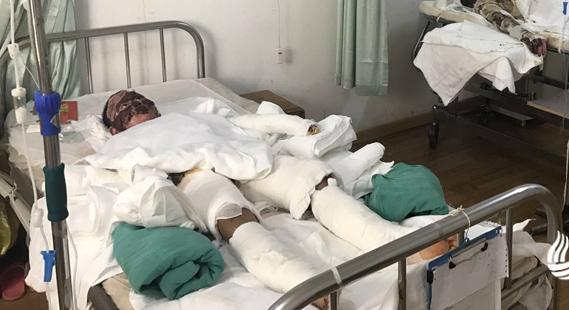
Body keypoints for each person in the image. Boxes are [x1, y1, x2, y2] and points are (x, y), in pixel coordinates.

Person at [101, 90, 458, 305]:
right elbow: (142, 182)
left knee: (314, 181)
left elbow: (246, 124)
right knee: (232, 215)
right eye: (124, 108)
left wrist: (299, 126)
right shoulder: (119, 146)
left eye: (138, 100)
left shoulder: (189, 115)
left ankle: (400, 241)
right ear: (115, 127)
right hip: (196, 175)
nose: (134, 105)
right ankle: (306, 284)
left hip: (246, 159)